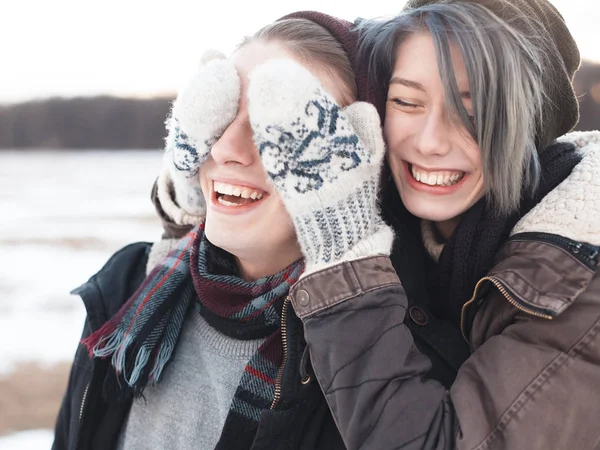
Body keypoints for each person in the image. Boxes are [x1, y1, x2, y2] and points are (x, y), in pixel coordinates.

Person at [153, 2, 600, 449]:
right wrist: (193, 191)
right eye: (405, 101)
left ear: (528, 125)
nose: (429, 141)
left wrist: (344, 241)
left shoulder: (579, 289)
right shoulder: (410, 239)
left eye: (474, 112)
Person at [51, 14, 393, 450]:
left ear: (355, 160)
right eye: (222, 112)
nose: (225, 147)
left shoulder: (369, 376)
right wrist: (186, 181)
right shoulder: (128, 289)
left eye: (281, 127)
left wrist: (345, 236)